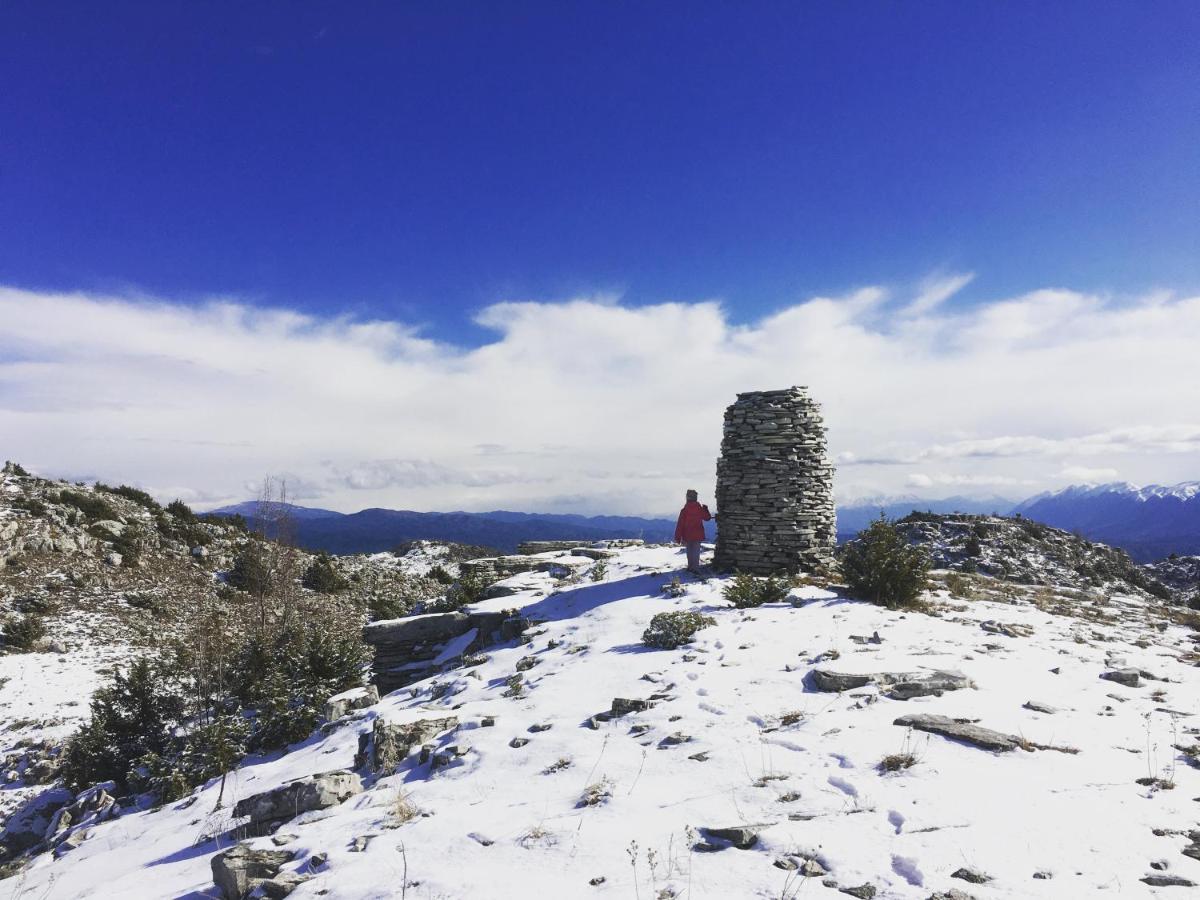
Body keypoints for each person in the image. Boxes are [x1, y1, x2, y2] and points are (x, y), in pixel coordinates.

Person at [674, 489, 713, 574]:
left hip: (687, 534)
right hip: (698, 533)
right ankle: (695, 568)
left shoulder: (684, 510)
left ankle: (690, 567)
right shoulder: (699, 509)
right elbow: (707, 518)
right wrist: (706, 509)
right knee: (696, 550)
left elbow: (680, 524)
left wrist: (678, 537)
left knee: (689, 550)